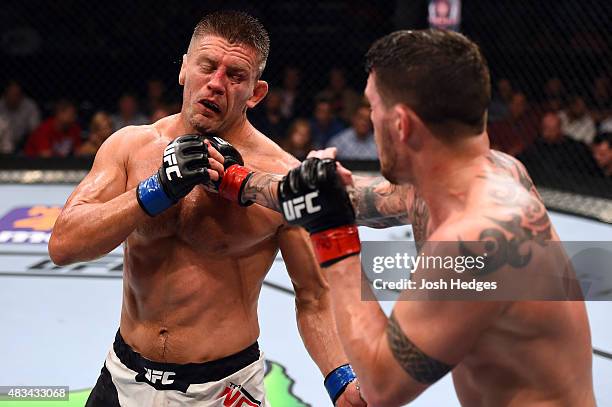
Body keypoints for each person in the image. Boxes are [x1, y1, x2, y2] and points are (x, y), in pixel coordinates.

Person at [221, 29, 595, 406]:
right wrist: (235, 180)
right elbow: (353, 198)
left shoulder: (479, 238)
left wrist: (332, 233)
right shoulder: (485, 175)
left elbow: (382, 387)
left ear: (401, 124)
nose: (367, 117)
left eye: (372, 106)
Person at [49, 11, 363, 407]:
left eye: (234, 75)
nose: (215, 84)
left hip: (224, 390)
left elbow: (314, 297)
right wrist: (156, 189)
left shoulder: (280, 176)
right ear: (184, 68)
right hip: (124, 377)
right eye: (207, 66)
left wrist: (341, 381)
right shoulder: (130, 147)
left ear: (256, 92)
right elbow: (63, 245)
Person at [0, 80, 41, 153]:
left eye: (16, 94)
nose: (13, 98)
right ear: (5, 95)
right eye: (10, 94)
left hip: (23, 144)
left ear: (21, 96)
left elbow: (35, 131)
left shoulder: (30, 106)